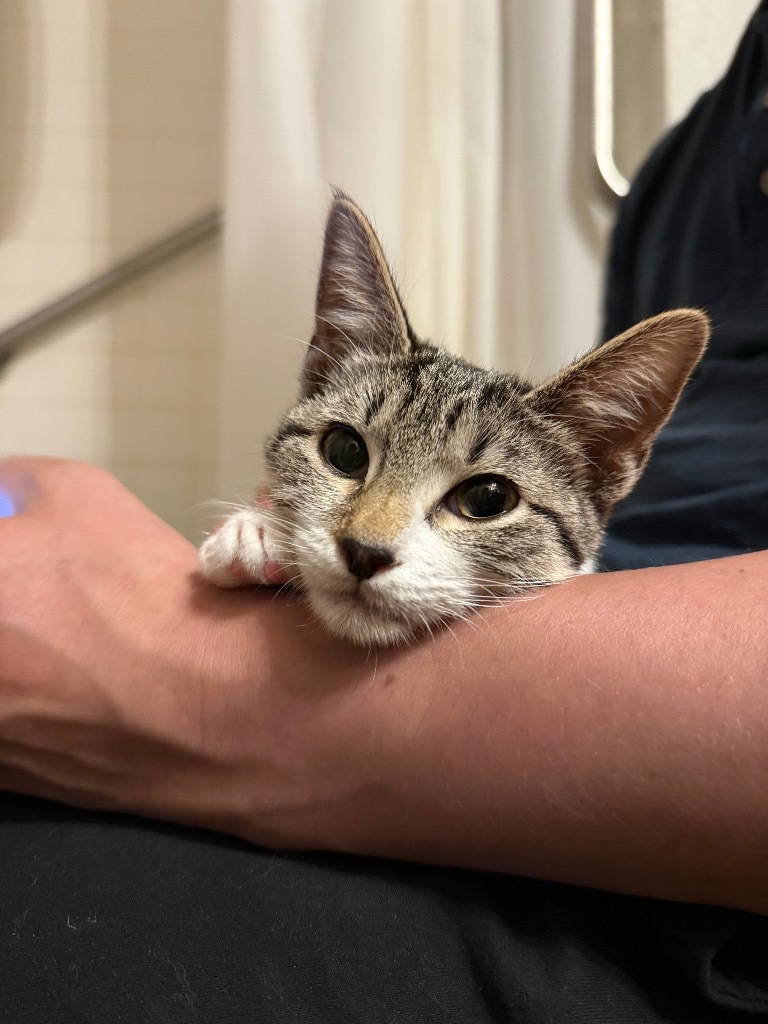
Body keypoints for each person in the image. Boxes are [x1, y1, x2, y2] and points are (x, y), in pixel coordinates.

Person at [2, 6, 768, 1021]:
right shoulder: (686, 164)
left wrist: (179, 680)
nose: (370, 533)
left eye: (483, 495)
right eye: (349, 452)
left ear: (603, 459)